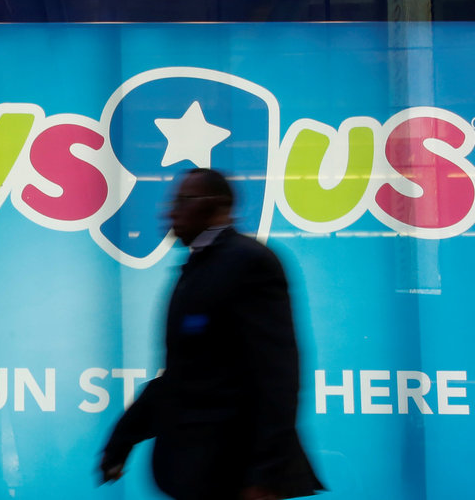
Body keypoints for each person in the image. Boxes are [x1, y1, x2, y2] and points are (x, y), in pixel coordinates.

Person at [100, 168, 323, 500]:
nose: (170, 212)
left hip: (235, 474)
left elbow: (278, 375)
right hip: (197, 473)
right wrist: (122, 440)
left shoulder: (250, 262)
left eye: (183, 201)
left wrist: (264, 473)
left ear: (219, 206)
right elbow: (182, 377)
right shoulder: (198, 267)